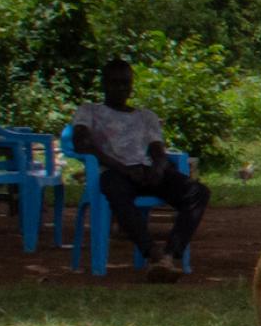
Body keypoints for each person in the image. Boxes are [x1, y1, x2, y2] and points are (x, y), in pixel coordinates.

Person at [70, 59, 213, 283]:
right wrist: (122, 168)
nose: (120, 88)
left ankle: (169, 254)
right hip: (113, 170)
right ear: (104, 84)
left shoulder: (146, 116)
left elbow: (158, 150)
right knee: (116, 192)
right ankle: (152, 252)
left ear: (132, 85)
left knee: (197, 192)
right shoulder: (89, 111)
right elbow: (82, 143)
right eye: (114, 83)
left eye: (125, 83)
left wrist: (158, 168)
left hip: (144, 170)